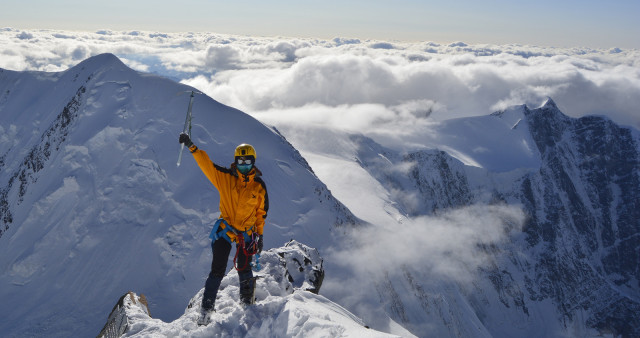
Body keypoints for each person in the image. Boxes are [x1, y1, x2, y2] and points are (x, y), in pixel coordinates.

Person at [179, 133, 268, 323]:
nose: (244, 165)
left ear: (253, 163)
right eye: (241, 161)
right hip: (225, 230)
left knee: (244, 267)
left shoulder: (259, 187)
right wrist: (192, 147)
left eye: (248, 162)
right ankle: (206, 309)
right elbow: (207, 165)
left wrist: (259, 236)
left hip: (247, 233)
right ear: (235, 162)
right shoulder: (225, 178)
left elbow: (261, 214)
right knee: (217, 269)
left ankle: (247, 302)